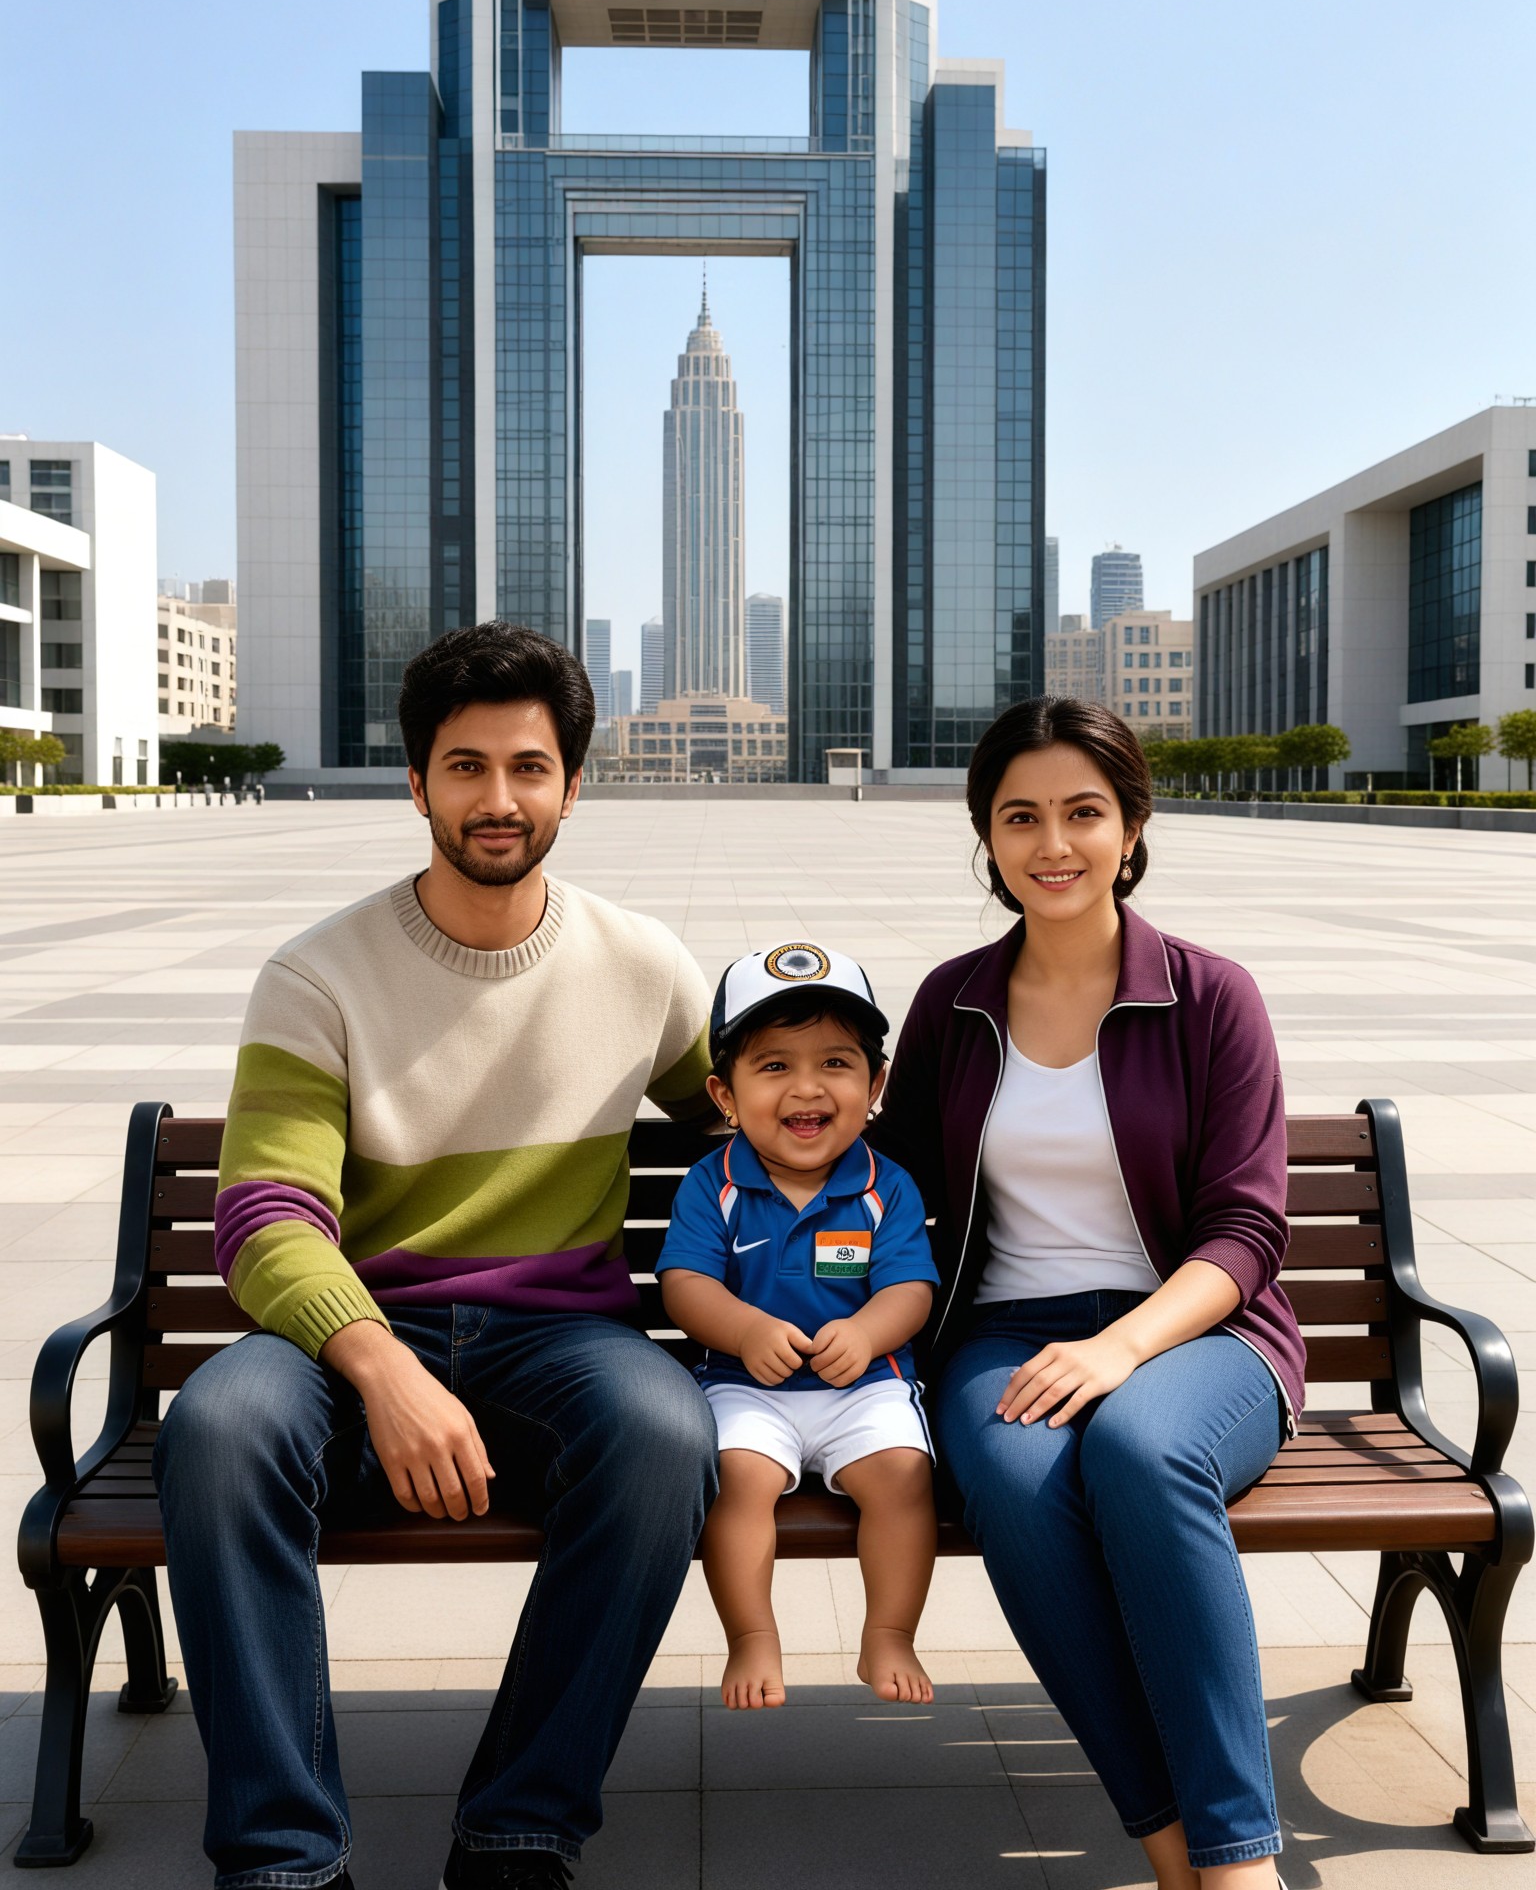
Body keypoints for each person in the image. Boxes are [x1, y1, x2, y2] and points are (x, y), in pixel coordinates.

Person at [154, 622, 720, 1890]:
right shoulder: (318, 974)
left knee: (665, 1434)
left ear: (575, 784)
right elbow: (264, 1216)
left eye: (529, 766)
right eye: (466, 766)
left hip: (562, 1339)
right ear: (416, 783)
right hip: (352, 1334)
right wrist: (384, 1369)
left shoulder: (644, 964)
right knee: (220, 1427)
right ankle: (284, 1856)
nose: (498, 797)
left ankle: (521, 1828)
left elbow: (759, 1125)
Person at [870, 697, 1304, 1890]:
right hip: (1002, 1334)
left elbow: (1247, 1229)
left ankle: (1240, 1862)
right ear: (987, 834)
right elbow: (891, 1183)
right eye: (1020, 816)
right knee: (1015, 1486)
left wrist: (1122, 1348)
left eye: (1082, 812)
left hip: (1197, 1327)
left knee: (1139, 1452)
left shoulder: (1212, 996)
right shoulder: (954, 1001)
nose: (1052, 843)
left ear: (1131, 824)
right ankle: (1170, 1847)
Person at [658, 944, 940, 1711]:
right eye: (774, 1066)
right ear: (725, 1093)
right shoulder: (712, 1185)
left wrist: (870, 1331)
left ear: (875, 1085)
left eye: (836, 1064)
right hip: (746, 1386)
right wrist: (744, 1329)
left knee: (904, 1477)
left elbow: (910, 1287)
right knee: (736, 1480)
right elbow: (685, 1285)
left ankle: (890, 1632)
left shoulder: (886, 1187)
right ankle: (752, 1635)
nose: (807, 1088)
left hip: (866, 1386)